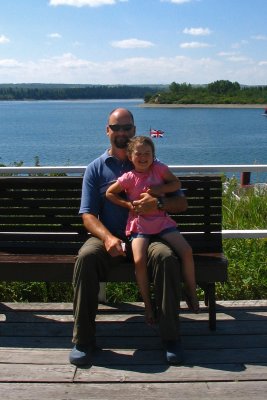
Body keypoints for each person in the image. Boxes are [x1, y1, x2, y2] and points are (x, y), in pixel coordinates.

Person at [69, 108, 188, 367]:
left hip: (149, 234)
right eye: (116, 127)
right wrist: (108, 238)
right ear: (107, 130)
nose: (122, 133)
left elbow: (181, 203)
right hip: (109, 236)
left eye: (127, 128)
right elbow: (88, 215)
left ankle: (170, 337)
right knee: (86, 258)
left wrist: (159, 203)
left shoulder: (151, 163)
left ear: (134, 130)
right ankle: (83, 340)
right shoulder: (96, 169)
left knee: (167, 258)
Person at [106, 136, 199, 325]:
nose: (143, 157)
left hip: (161, 221)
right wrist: (128, 205)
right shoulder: (129, 177)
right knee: (139, 260)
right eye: (138, 154)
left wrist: (159, 189)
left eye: (147, 153)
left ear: (153, 155)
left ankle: (191, 291)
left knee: (187, 251)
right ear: (130, 157)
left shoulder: (159, 169)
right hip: (139, 224)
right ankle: (148, 305)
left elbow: (176, 184)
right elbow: (110, 193)